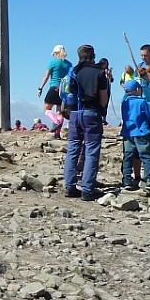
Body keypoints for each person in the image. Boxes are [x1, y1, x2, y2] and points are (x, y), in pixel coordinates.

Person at [63, 44, 109, 201]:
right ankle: (87, 189)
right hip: (91, 113)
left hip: (74, 113)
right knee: (91, 150)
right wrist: (101, 110)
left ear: (79, 56)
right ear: (93, 55)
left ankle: (69, 186)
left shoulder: (73, 71)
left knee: (73, 148)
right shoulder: (99, 73)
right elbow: (103, 99)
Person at [120, 79, 150, 190]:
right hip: (141, 131)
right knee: (146, 155)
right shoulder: (142, 102)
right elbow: (149, 117)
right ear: (137, 89)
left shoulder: (124, 102)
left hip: (128, 133)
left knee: (128, 156)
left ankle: (127, 179)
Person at [37, 45, 72, 138]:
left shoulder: (53, 62)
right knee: (60, 112)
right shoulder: (69, 64)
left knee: (47, 108)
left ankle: (55, 122)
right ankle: (57, 134)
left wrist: (40, 88)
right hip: (64, 89)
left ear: (56, 53)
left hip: (54, 87)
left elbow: (46, 76)